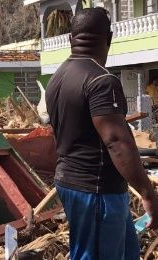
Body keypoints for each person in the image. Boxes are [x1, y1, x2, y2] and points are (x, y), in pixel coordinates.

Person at [45, 7, 158, 260]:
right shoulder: (101, 80)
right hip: (96, 190)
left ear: (70, 39)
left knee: (126, 252)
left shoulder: (58, 78)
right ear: (109, 38)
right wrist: (148, 194)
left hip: (70, 181)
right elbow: (116, 142)